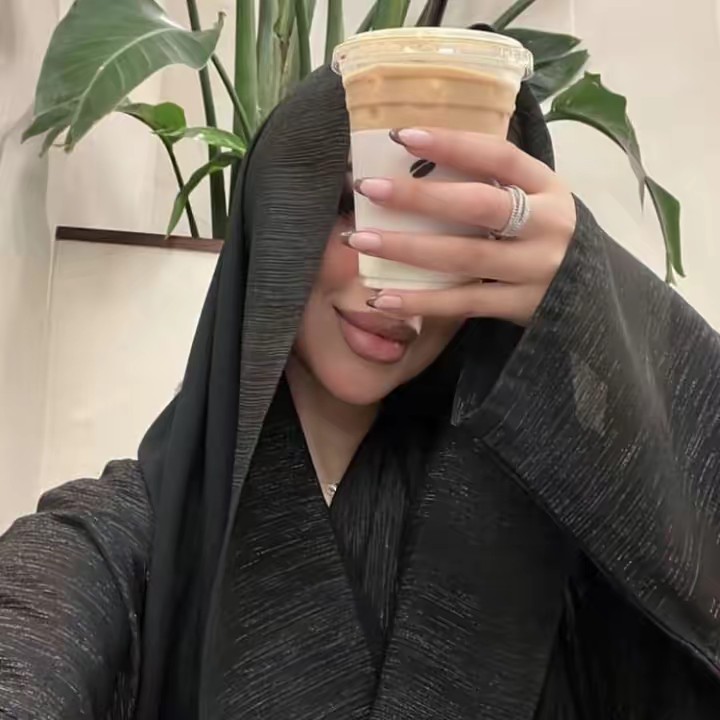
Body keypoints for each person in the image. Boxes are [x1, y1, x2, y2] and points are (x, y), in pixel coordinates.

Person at [1, 60, 720, 720]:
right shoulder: (120, 541)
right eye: (357, 204)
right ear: (277, 213)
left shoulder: (549, 563)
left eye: (454, 233)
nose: (393, 285)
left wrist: (598, 298)